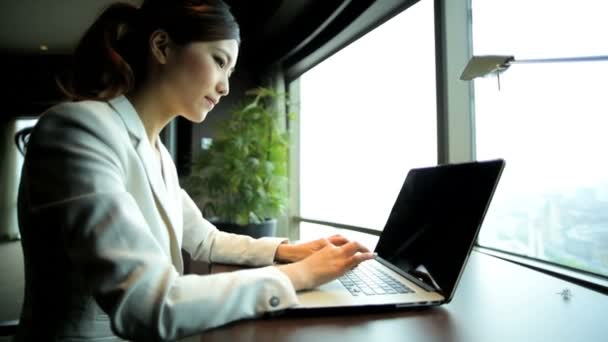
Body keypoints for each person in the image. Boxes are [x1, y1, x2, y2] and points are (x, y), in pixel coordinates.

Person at [15, 0, 374, 341]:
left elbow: (205, 239)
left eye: (231, 71)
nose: (225, 85)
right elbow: (145, 303)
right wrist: (301, 274)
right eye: (219, 61)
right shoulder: (79, 128)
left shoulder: (157, 153)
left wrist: (288, 251)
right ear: (162, 46)